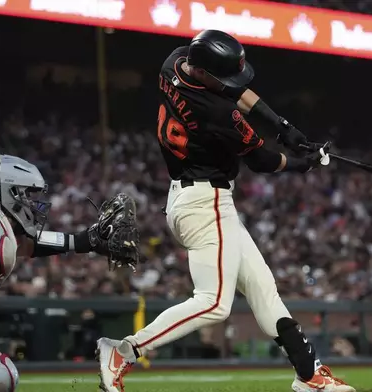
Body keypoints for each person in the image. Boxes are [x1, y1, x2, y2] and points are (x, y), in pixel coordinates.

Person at [96, 29, 355, 392]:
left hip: (197, 198)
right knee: (215, 303)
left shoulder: (174, 61)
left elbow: (236, 90)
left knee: (264, 289)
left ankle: (309, 374)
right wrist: (303, 161)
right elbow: (263, 161)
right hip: (205, 204)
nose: (230, 84)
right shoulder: (214, 111)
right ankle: (124, 351)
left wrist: (283, 127)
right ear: (203, 73)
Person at [0, 153, 139, 392]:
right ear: (8, 192)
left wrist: (84, 241)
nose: (32, 203)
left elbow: (25, 246)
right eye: (26, 194)